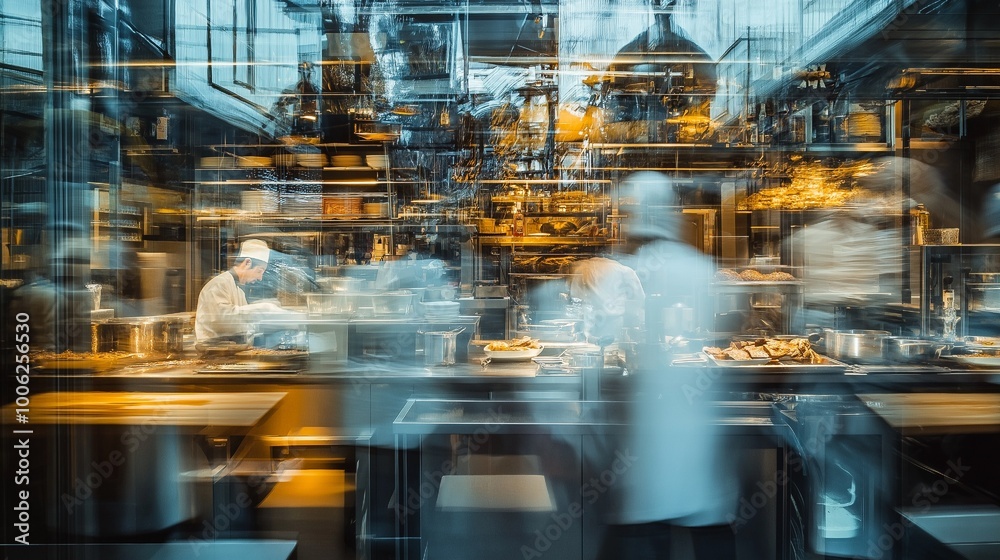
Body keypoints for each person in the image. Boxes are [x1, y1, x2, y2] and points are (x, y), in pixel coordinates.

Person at [575, 172, 738, 560]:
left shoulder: (627, 272)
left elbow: (602, 338)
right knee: (710, 535)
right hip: (699, 443)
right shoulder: (702, 268)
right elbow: (724, 335)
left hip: (647, 450)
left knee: (642, 535)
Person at [195, 239, 285, 344]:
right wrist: (260, 309)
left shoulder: (239, 290)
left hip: (229, 352)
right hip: (213, 354)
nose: (260, 278)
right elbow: (222, 320)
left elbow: (243, 322)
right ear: (247, 263)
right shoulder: (219, 284)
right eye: (259, 271)